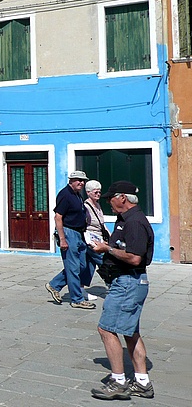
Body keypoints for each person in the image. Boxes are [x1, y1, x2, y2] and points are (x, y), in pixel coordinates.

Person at [89, 181, 154, 400]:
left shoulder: (134, 222)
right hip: (128, 282)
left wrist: (107, 248)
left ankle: (118, 381)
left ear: (123, 197)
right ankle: (142, 383)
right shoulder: (125, 220)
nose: (108, 202)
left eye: (111, 198)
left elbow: (135, 258)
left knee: (106, 329)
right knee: (130, 332)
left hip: (128, 282)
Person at [45, 170, 96, 309]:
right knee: (73, 267)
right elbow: (58, 217)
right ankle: (77, 299)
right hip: (69, 233)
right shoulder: (65, 195)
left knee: (82, 265)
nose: (81, 182)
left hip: (79, 234)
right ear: (71, 181)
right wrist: (62, 239)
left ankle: (55, 284)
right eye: (78, 180)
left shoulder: (77, 195)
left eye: (83, 180)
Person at [81, 179, 107, 297]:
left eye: (99, 192)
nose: (98, 194)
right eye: (95, 192)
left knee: (89, 264)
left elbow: (101, 223)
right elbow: (84, 224)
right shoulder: (86, 206)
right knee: (104, 261)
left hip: (99, 237)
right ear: (88, 192)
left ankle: (81, 289)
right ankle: (113, 282)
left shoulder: (97, 205)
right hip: (91, 240)